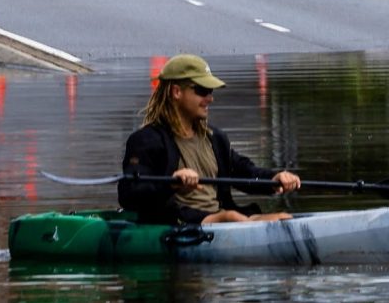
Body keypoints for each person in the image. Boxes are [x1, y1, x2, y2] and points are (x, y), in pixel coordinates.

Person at [119, 55, 301, 226]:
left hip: (223, 217)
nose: (210, 98)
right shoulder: (146, 140)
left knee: (284, 218)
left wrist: (274, 179)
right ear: (176, 92)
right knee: (230, 217)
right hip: (179, 221)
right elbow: (130, 194)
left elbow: (243, 171)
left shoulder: (215, 138)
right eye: (202, 90)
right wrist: (172, 183)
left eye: (210, 91)